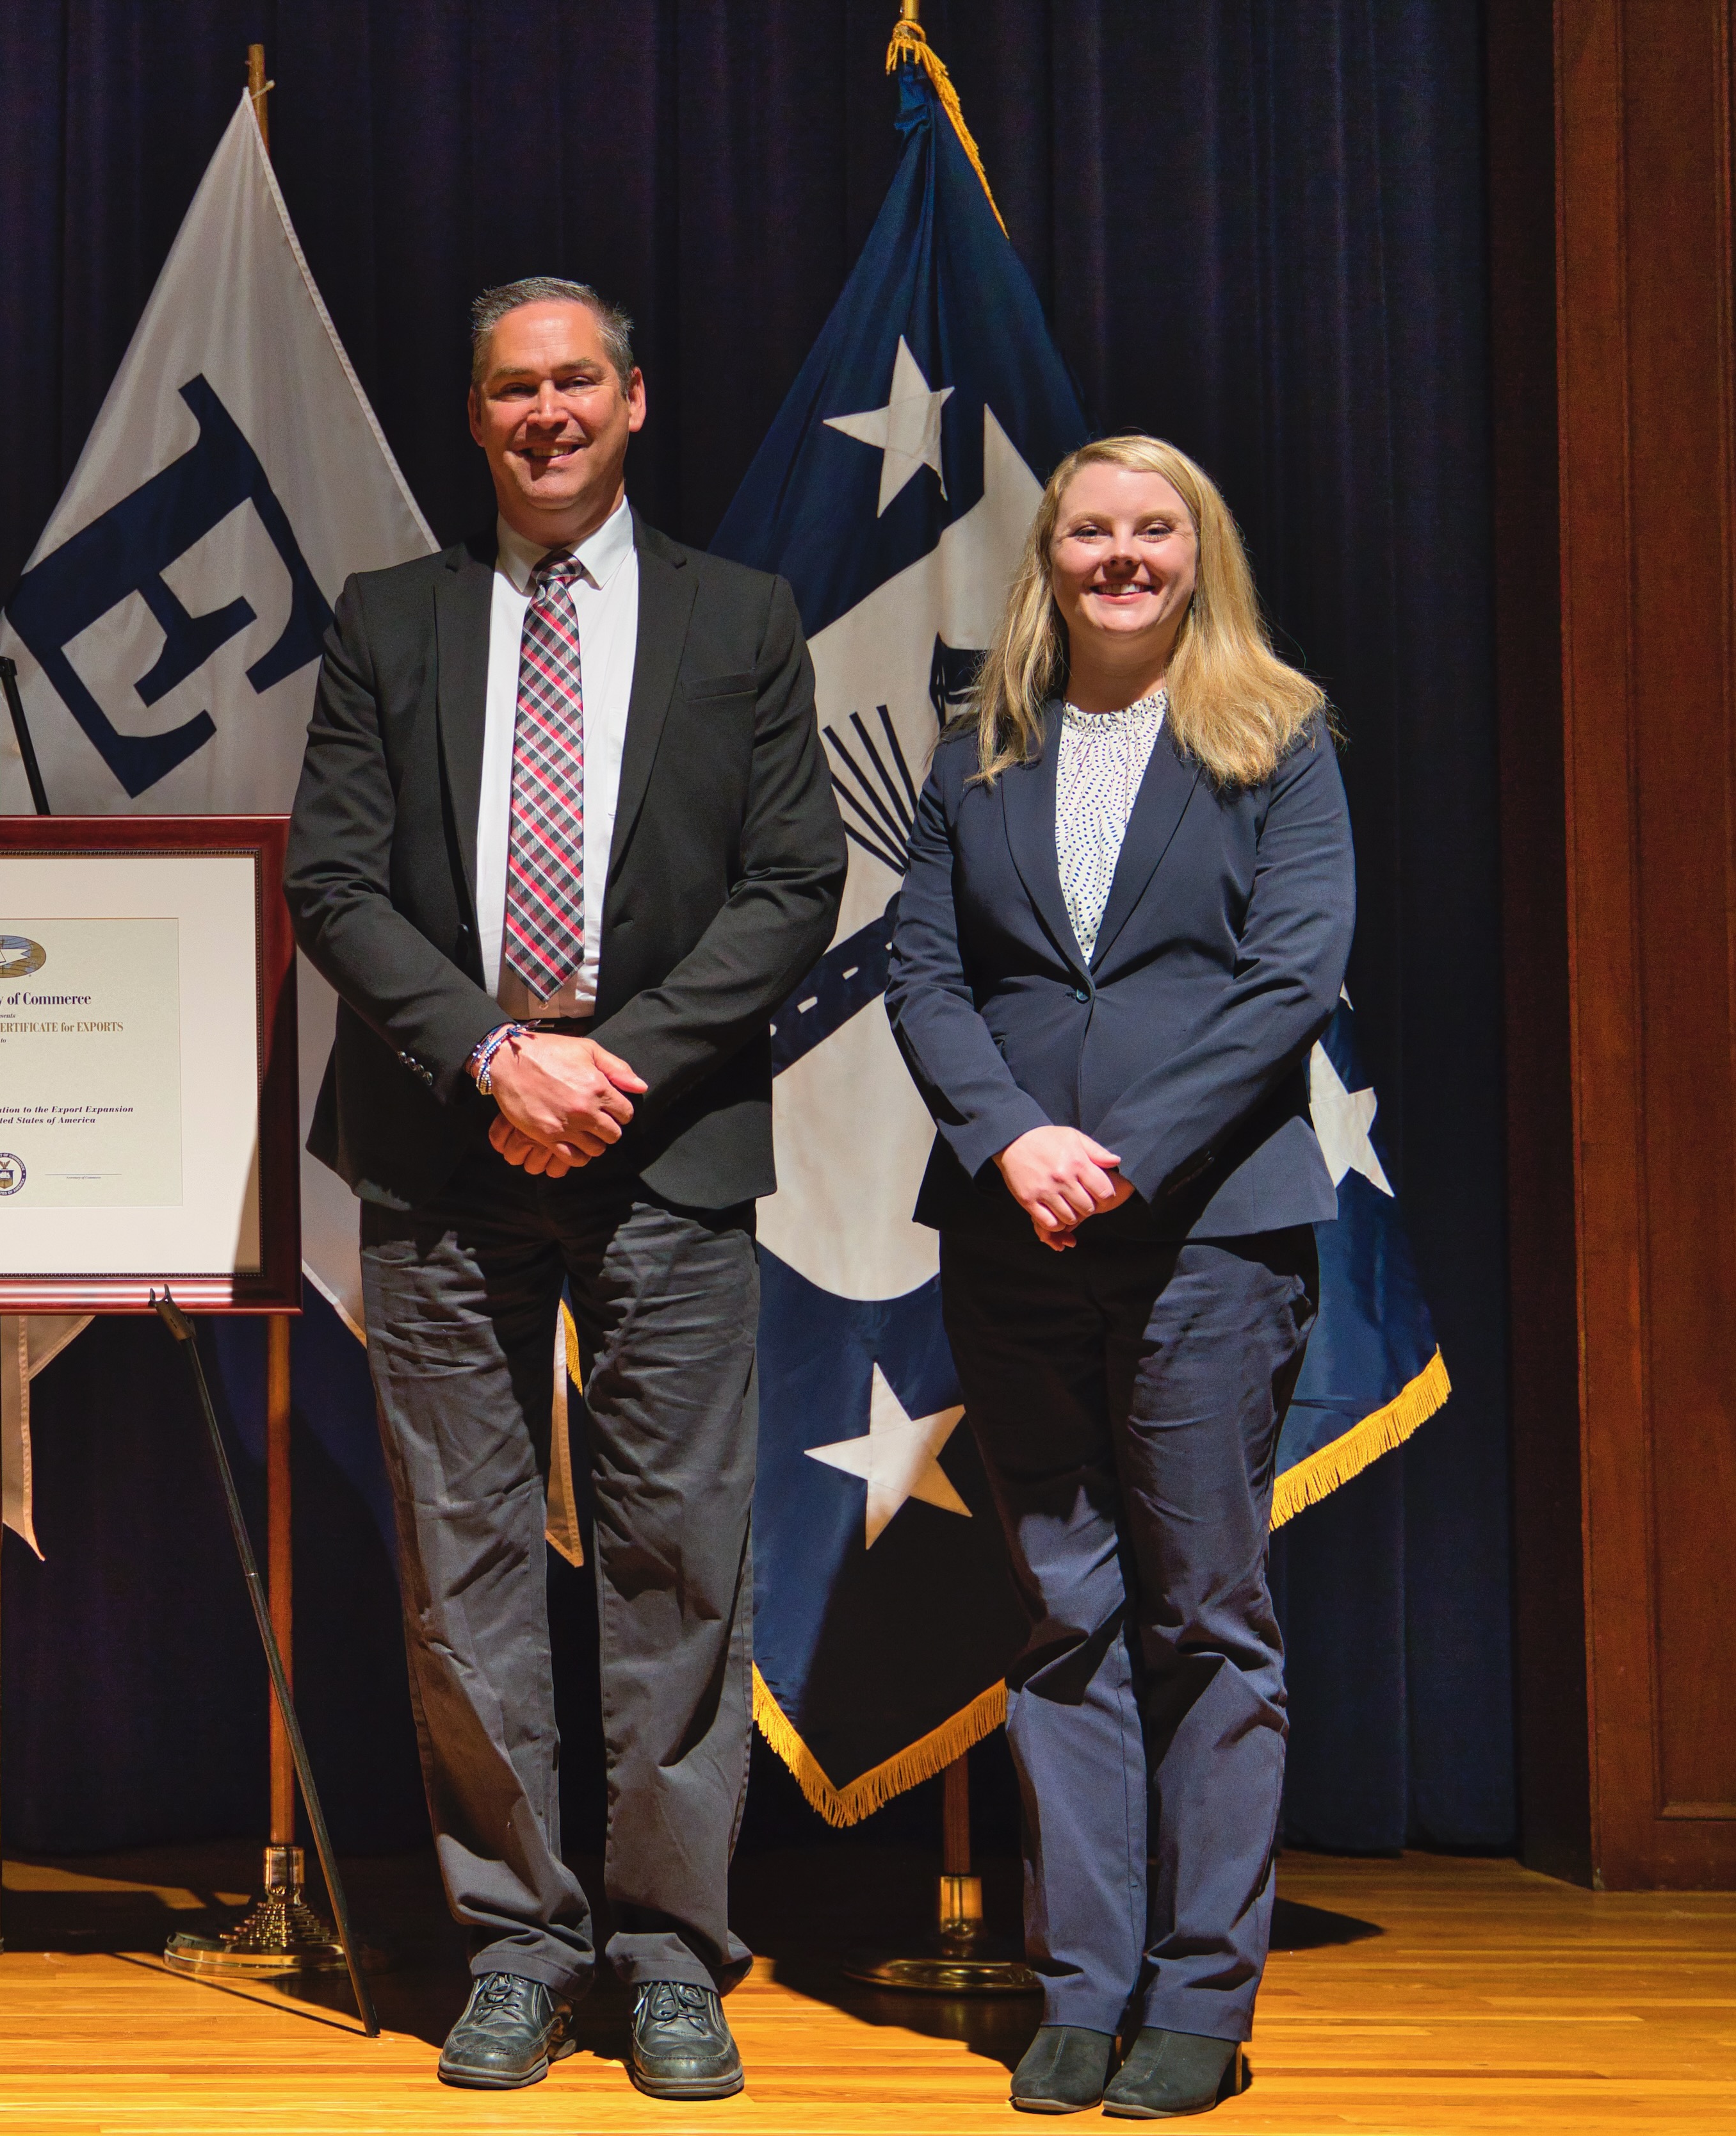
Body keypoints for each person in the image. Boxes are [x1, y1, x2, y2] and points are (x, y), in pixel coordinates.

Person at [287, 277, 843, 2098]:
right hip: (446, 1148)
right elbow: (337, 883)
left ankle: (671, 1954)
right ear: (475, 417)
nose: (546, 414)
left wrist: (619, 1065)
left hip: (665, 1150)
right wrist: (495, 1055)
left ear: (634, 400)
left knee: (681, 1561)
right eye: (513, 389)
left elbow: (792, 883)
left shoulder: (741, 621)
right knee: (465, 1573)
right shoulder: (389, 623)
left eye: (575, 382)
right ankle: (519, 1947)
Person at [884, 436, 1350, 2118]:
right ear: (1052, 555)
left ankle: (1199, 2003)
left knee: (1203, 1615)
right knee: (1061, 1612)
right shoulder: (979, 752)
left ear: (1195, 553)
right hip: (1012, 1241)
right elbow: (926, 973)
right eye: (1093, 529)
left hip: (1212, 1238)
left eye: (1155, 529)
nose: (1122, 554)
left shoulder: (1275, 740)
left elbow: (1293, 972)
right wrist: (1013, 1141)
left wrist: (1126, 1148)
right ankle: (1080, 1989)